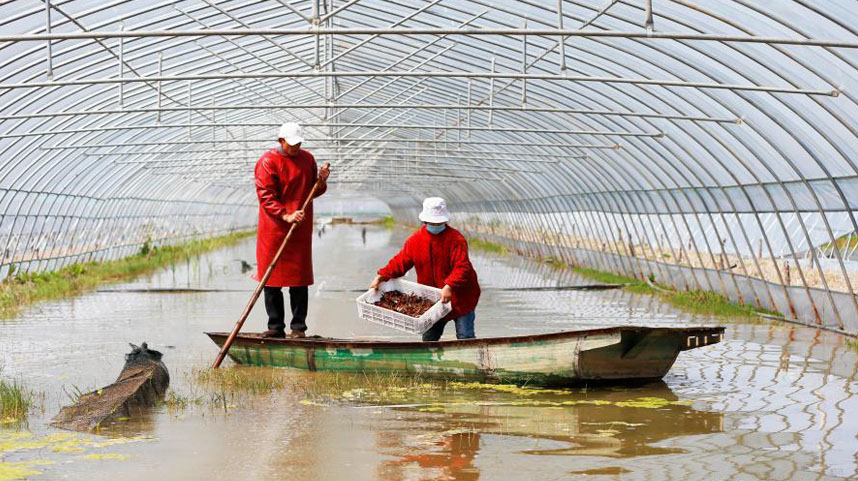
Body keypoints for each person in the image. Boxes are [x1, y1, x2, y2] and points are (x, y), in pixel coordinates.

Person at [255, 122, 330, 338]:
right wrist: (285, 214)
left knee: (299, 279)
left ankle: (298, 329)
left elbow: (312, 192)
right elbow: (266, 196)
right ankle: (275, 327)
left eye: (298, 144)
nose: (295, 148)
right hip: (274, 228)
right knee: (271, 278)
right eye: (291, 144)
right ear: (280, 141)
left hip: (300, 227)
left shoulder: (307, 159)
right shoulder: (268, 162)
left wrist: (322, 181)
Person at [370, 198, 480, 341]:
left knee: (465, 337)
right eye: (432, 222)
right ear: (425, 221)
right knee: (429, 339)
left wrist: (450, 285)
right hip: (433, 300)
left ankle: (471, 360)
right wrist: (381, 276)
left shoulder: (456, 239)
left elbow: (462, 267)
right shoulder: (416, 241)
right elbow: (400, 262)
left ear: (444, 221)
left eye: (438, 222)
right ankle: (430, 363)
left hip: (461, 297)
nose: (435, 225)